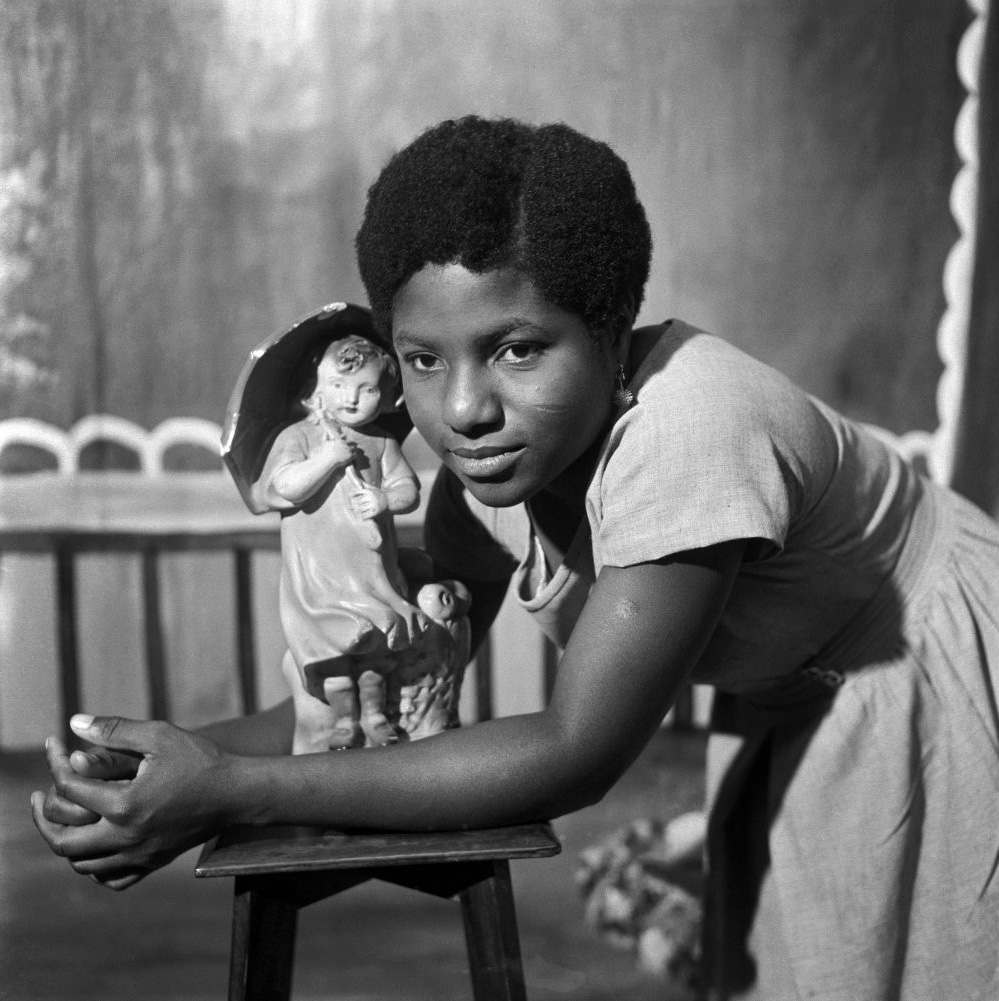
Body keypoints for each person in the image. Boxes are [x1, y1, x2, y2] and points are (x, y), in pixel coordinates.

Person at [32, 116, 998, 1000]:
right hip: (802, 699)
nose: (462, 411)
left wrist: (230, 791)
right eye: (421, 359)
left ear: (613, 334)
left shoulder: (693, 429)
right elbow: (368, 694)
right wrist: (172, 760)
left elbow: (574, 751)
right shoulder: (477, 496)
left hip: (943, 679)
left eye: (518, 350)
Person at [255, 332, 427, 750]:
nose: (351, 399)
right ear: (317, 390)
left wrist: (385, 498)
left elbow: (410, 489)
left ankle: (373, 714)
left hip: (369, 573)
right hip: (318, 577)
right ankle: (342, 722)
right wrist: (326, 460)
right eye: (338, 386)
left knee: (374, 658)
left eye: (367, 390)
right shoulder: (299, 437)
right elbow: (285, 486)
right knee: (332, 660)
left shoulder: (382, 442)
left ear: (387, 395)